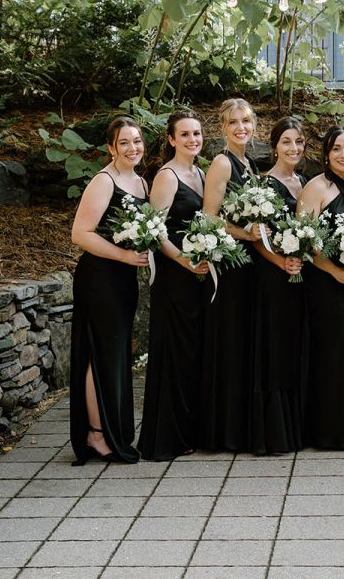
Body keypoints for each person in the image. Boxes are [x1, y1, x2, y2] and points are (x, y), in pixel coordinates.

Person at [69, 116, 148, 465]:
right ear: (111, 148)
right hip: (100, 277)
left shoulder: (141, 183)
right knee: (98, 353)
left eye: (137, 141)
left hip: (124, 278)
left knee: (115, 353)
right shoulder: (104, 181)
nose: (133, 148)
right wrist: (124, 255)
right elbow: (80, 234)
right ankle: (96, 435)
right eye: (125, 142)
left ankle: (111, 429)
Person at [138, 111, 211, 461]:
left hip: (199, 275)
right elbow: (155, 231)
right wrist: (182, 259)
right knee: (175, 352)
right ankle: (166, 436)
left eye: (196, 133)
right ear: (171, 140)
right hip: (175, 275)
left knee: (193, 353)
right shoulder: (166, 177)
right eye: (184, 135)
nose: (192, 140)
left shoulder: (200, 173)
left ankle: (189, 430)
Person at [298, 126, 344, 449]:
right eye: (337, 149)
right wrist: (334, 271)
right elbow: (304, 242)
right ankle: (327, 431)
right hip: (325, 283)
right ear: (326, 154)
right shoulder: (315, 188)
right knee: (330, 354)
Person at [198, 98, 261, 451]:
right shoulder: (222, 163)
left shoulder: (249, 163)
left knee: (242, 343)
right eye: (234, 122)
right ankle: (222, 430)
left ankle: (239, 425)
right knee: (229, 341)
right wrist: (246, 233)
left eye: (246, 121)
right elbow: (210, 216)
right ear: (223, 128)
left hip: (247, 263)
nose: (241, 128)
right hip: (230, 262)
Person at [248, 117, 310, 454]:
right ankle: (274, 431)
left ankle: (297, 424)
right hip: (274, 277)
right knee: (275, 347)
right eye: (287, 142)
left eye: (298, 142)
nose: (294, 148)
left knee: (295, 346)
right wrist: (280, 262)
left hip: (301, 278)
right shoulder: (264, 185)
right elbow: (257, 238)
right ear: (275, 146)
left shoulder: (304, 181)